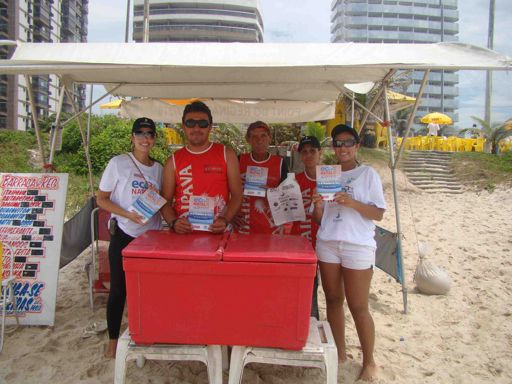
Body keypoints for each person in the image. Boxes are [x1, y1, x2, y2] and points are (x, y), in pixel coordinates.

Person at [311, 124, 386, 381]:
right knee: (332, 300)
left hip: (358, 245)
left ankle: (369, 361)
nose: (342, 147)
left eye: (347, 142)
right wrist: (318, 204)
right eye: (338, 143)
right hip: (328, 242)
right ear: (333, 148)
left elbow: (378, 213)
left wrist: (352, 202)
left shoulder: (368, 174)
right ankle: (339, 353)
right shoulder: (327, 174)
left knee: (358, 306)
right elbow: (320, 218)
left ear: (357, 146)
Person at [96, 117, 164, 358]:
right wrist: (127, 214)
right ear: (132, 137)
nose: (145, 138)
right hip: (124, 234)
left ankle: (148, 333)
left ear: (154, 139)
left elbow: (165, 201)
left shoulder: (159, 169)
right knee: (118, 291)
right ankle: (113, 340)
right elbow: (101, 198)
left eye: (150, 134)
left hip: (152, 239)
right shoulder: (118, 163)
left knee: (149, 290)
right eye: (140, 133)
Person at [160, 101, 242, 234]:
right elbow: (164, 201)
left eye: (202, 124)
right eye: (190, 123)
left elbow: (237, 195)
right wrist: (173, 222)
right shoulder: (172, 161)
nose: (196, 128)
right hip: (185, 236)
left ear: (210, 126)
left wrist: (224, 220)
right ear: (184, 126)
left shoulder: (227, 154)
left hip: (218, 234)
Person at [234, 121, 288, 234]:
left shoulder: (280, 163)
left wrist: (272, 194)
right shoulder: (239, 160)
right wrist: (230, 215)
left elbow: (287, 198)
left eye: (263, 135)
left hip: (272, 228)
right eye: (254, 136)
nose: (259, 140)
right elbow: (227, 190)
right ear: (248, 139)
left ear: (269, 138)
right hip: (244, 227)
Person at [290, 136, 321, 319]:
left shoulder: (331, 179)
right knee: (308, 289)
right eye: (304, 151)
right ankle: (307, 323)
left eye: (312, 150)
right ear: (300, 155)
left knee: (333, 295)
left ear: (320, 153)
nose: (308, 155)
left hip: (326, 243)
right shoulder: (293, 181)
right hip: (300, 245)